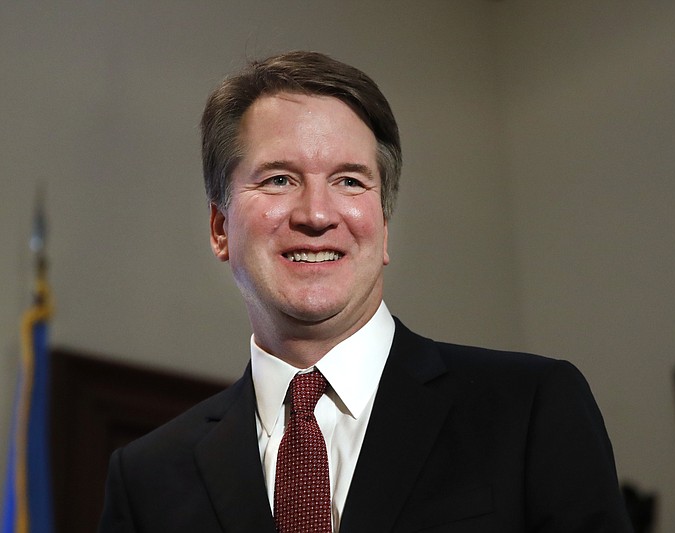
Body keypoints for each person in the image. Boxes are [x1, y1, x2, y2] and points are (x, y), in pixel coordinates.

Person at [98, 51, 633, 532]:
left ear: (383, 226)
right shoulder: (146, 481)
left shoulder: (529, 408)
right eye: (279, 179)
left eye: (350, 181)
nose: (315, 214)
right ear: (220, 228)